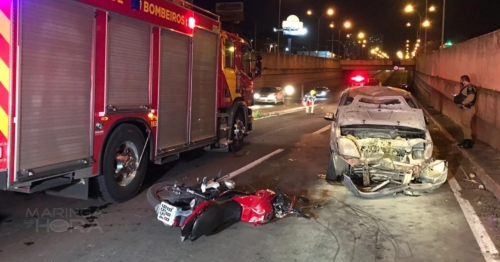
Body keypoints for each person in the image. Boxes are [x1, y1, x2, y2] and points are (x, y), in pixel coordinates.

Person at [456, 75, 477, 149]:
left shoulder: (470, 87)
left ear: (464, 80)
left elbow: (471, 97)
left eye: (461, 81)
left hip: (468, 109)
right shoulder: (466, 87)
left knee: (466, 125)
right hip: (465, 109)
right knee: (464, 124)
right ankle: (466, 140)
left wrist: (463, 103)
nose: (461, 82)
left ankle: (468, 142)